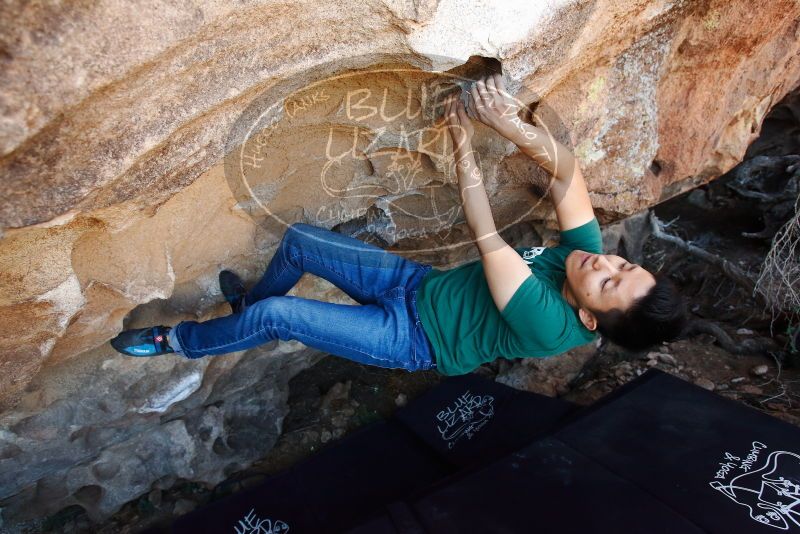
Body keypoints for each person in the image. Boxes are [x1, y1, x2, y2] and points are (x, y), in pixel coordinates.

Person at [111, 73, 688, 375]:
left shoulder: (552, 326)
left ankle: (176, 341)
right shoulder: (581, 262)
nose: (606, 263)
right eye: (624, 262)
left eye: (611, 282)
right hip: (413, 288)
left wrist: (464, 145)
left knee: (279, 316)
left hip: (412, 339)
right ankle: (243, 313)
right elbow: (568, 179)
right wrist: (510, 126)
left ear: (590, 317)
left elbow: (487, 239)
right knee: (299, 243)